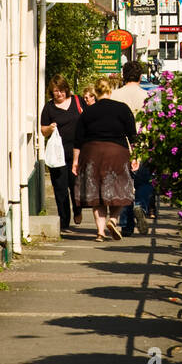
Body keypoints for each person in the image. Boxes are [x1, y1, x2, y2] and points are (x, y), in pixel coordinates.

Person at [72, 77, 136, 241]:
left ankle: (100, 232)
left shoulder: (88, 112)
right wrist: (136, 157)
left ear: (96, 93)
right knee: (121, 190)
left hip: (92, 153)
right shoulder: (122, 109)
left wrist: (75, 161)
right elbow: (132, 135)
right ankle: (113, 220)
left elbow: (78, 139)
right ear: (110, 91)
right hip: (117, 153)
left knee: (97, 195)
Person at [112, 61, 153, 236]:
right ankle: (141, 205)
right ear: (140, 76)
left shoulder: (114, 95)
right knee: (144, 181)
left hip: (120, 144)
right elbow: (155, 122)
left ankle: (126, 225)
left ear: (123, 75)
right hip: (142, 144)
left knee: (124, 185)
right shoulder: (150, 96)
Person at [39, 75, 84, 231]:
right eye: (55, 91)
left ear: (66, 89)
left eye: (61, 90)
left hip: (78, 151)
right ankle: (64, 221)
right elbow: (43, 130)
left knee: (76, 184)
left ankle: (77, 210)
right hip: (58, 153)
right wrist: (49, 128)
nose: (59, 94)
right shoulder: (49, 107)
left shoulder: (78, 101)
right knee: (60, 187)